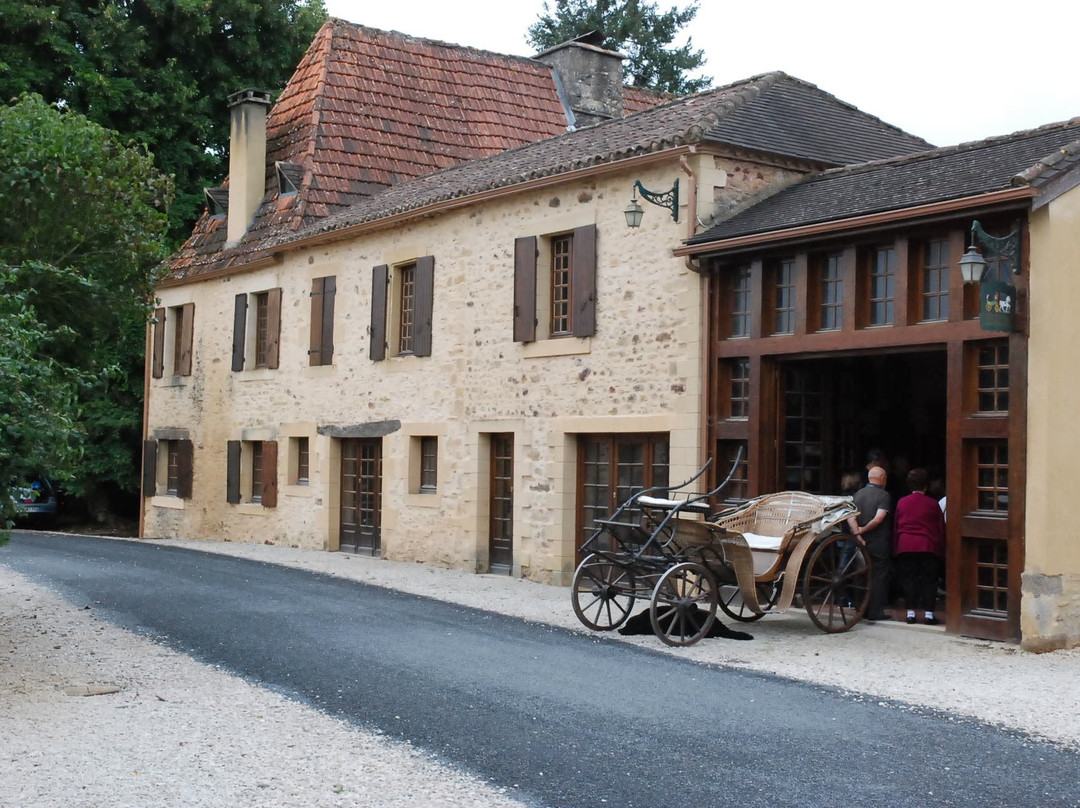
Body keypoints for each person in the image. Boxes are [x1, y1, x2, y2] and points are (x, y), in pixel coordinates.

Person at [893, 468, 946, 625]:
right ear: (926, 485)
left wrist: (895, 548)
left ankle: (910, 613)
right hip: (927, 546)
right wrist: (941, 549)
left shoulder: (902, 502)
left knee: (909, 580)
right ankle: (929, 614)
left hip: (906, 545)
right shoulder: (932, 504)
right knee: (929, 580)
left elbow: (896, 527)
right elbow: (940, 528)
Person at [847, 465, 893, 621]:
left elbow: (850, 517)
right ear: (882, 479)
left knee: (861, 575)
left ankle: (861, 609)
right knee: (879, 576)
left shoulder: (857, 494)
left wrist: (857, 534)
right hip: (878, 542)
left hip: (861, 543)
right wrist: (863, 530)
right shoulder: (883, 495)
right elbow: (879, 518)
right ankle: (875, 612)